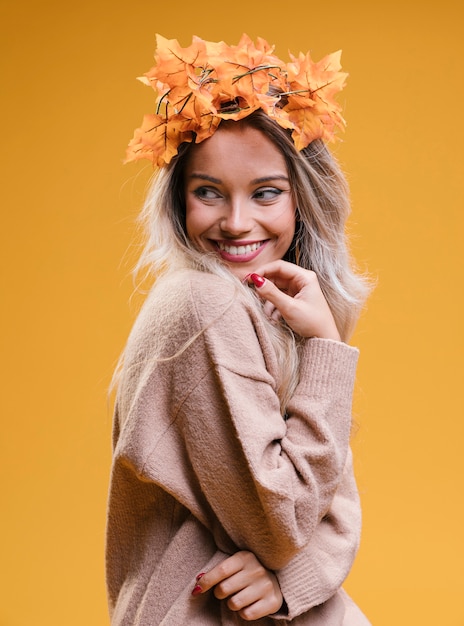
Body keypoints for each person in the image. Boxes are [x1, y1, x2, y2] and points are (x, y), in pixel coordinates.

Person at [106, 34, 371, 625]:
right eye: (208, 193)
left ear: (303, 200)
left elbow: (333, 500)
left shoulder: (268, 312)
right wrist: (327, 352)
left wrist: (288, 579)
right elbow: (282, 524)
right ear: (178, 201)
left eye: (266, 193)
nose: (236, 222)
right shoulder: (203, 307)